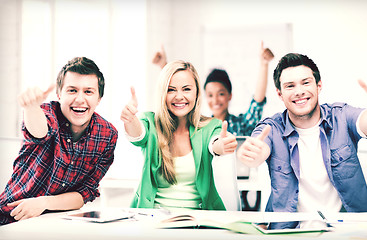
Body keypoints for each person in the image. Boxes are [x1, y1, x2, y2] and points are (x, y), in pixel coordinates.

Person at [237, 53, 367, 228]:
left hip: (347, 232)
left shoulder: (341, 116)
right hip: (291, 233)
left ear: (318, 85)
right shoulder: (272, 128)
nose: (299, 91)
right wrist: (253, 154)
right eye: (290, 86)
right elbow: (258, 146)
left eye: (306, 82)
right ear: (279, 93)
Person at [0, 57, 118, 225]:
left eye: (88, 91)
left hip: (57, 221)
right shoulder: (48, 113)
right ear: (59, 95)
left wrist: (44, 202)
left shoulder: (107, 135)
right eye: (72, 90)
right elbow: (39, 132)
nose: (79, 99)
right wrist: (31, 108)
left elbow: (85, 193)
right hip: (11, 217)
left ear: (99, 99)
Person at [121, 60, 237, 210]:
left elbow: (215, 144)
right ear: (163, 93)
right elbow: (138, 134)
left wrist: (223, 145)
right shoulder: (150, 122)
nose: (179, 96)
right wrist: (130, 119)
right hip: (153, 220)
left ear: (196, 93)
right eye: (171, 90)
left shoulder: (210, 126)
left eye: (186, 89)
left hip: (198, 222)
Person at [152, 42, 274, 136]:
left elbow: (257, 102)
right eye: (210, 95)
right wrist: (163, 65)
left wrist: (264, 65)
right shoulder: (199, 127)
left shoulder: (241, 124)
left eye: (221, 94)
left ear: (229, 95)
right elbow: (176, 106)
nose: (215, 100)